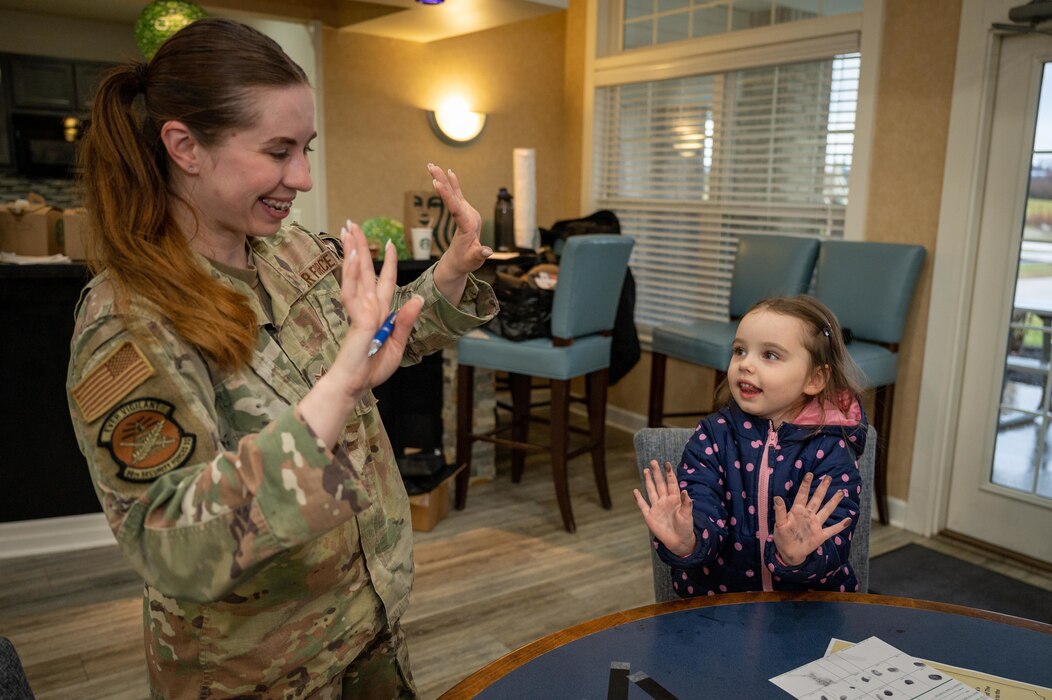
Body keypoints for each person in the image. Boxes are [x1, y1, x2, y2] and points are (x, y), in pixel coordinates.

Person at [65, 17, 496, 699]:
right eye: (277, 150)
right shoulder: (128, 319)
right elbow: (172, 541)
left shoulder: (288, 252)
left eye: (307, 148)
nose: (300, 176)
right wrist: (342, 385)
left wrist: (446, 274)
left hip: (366, 622)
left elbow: (371, 348)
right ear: (185, 146)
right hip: (258, 671)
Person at [634, 295, 868, 597]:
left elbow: (836, 536)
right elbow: (701, 502)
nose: (745, 364)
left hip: (808, 610)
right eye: (739, 350)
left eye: (770, 355)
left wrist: (797, 555)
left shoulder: (833, 448)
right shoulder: (713, 435)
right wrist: (687, 539)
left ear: (815, 378)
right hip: (720, 608)